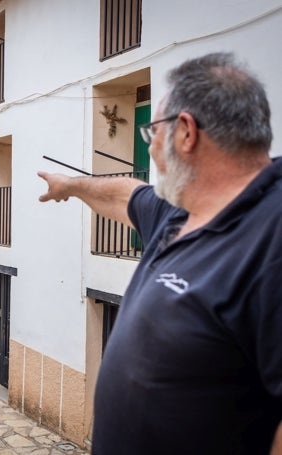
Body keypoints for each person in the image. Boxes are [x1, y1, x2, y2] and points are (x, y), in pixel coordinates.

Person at [38, 52, 282, 454]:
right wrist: (71, 185)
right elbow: (124, 195)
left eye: (152, 135)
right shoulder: (180, 214)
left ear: (185, 132)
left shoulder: (271, 235)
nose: (150, 150)